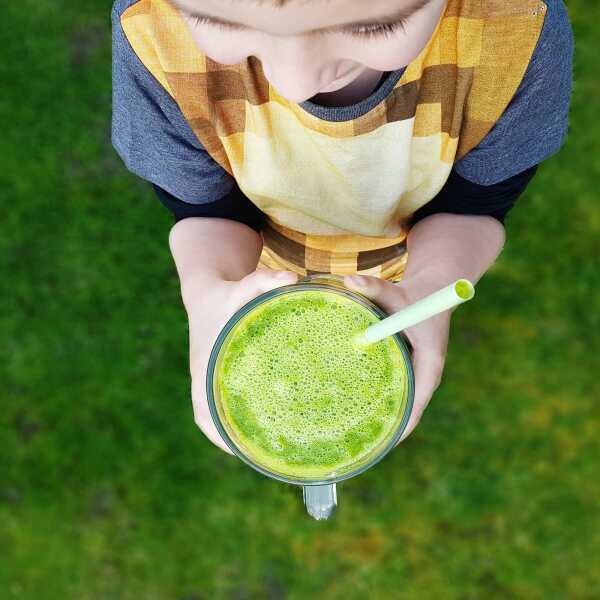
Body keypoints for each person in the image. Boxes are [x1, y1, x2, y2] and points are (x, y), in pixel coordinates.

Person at [111, 0, 573, 453]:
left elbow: (471, 208)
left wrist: (429, 291)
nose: (294, 82)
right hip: (264, 268)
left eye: (373, 29)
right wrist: (210, 291)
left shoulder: (517, 33)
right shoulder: (152, 31)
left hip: (409, 267)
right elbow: (210, 213)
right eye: (219, 21)